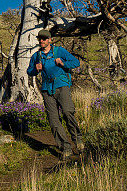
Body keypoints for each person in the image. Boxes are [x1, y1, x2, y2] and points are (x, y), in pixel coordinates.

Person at [27, 29, 84, 161]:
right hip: (47, 89)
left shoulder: (59, 51)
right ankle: (66, 147)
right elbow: (29, 71)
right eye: (40, 39)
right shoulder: (36, 56)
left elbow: (76, 63)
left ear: (50, 40)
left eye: (44, 38)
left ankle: (78, 140)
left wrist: (63, 63)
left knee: (68, 112)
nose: (42, 41)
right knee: (53, 120)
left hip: (62, 86)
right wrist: (36, 69)